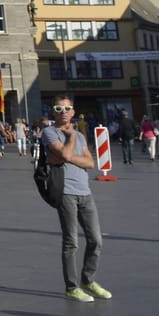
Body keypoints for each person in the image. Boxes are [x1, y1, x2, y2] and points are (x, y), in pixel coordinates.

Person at [41, 99, 109, 303]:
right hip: (65, 192)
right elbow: (64, 152)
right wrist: (68, 141)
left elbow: (90, 162)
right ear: (53, 112)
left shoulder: (79, 135)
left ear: (73, 112)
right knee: (71, 242)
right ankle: (71, 287)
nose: (63, 112)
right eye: (59, 109)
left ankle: (88, 280)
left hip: (85, 192)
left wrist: (66, 155)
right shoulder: (50, 133)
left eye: (67, 108)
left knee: (96, 239)